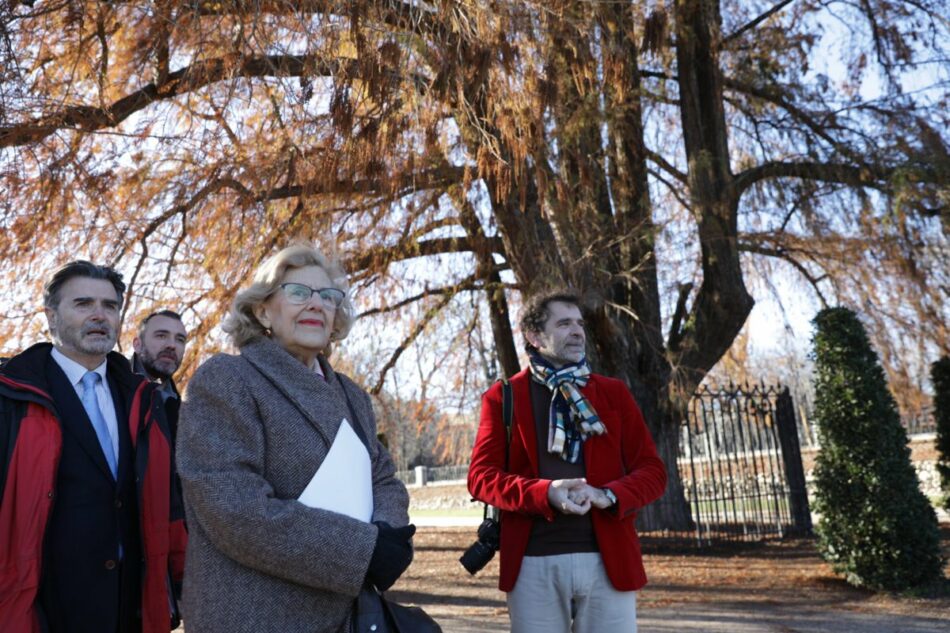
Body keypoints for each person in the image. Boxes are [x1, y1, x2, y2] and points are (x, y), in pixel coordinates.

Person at [176, 244, 414, 633]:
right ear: (263, 310)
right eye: (298, 293)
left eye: (328, 297)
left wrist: (387, 532)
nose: (316, 305)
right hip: (257, 614)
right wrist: (360, 550)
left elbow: (384, 478)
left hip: (347, 616)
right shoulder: (228, 380)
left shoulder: (352, 395)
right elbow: (234, 508)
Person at [0, 260, 186, 633]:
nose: (100, 316)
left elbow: (168, 502)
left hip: (129, 607)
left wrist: (180, 584)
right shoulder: (11, 396)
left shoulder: (143, 400)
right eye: (83, 304)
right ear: (51, 317)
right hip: (41, 608)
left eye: (110, 306)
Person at [468, 290, 668, 633]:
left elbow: (653, 471)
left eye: (579, 323)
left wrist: (607, 495)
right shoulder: (504, 397)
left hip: (609, 562)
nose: (577, 331)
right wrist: (545, 493)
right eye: (564, 323)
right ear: (534, 336)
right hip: (533, 565)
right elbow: (481, 478)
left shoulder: (613, 393)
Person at [131, 309, 187, 440]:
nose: (172, 345)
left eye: (180, 339)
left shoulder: (185, 413)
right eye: (161, 336)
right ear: (137, 345)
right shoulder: (110, 390)